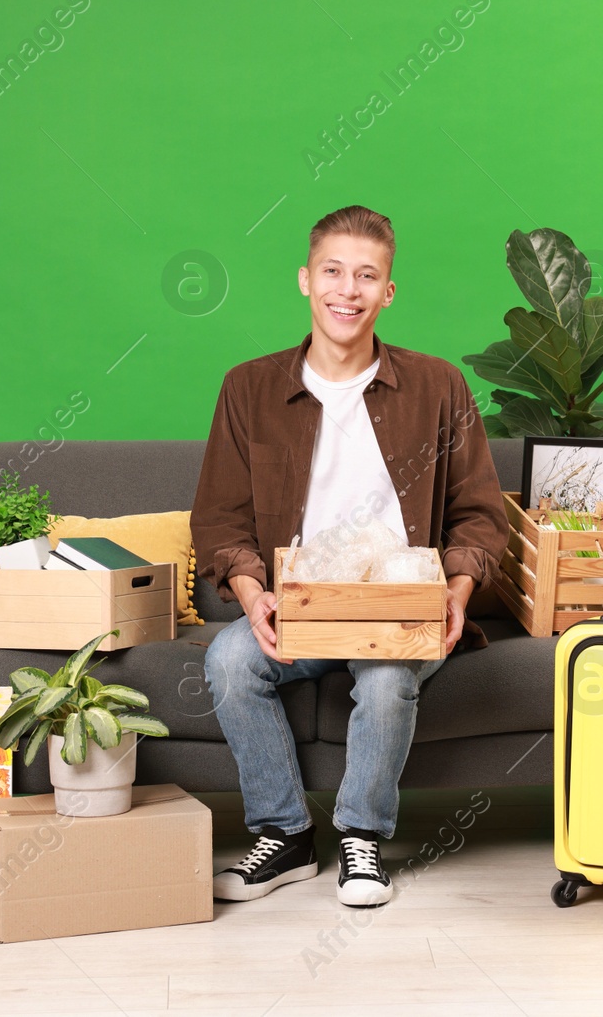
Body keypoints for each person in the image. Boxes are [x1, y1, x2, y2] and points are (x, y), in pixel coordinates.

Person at [192, 204, 508, 908]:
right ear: (306, 280)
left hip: (404, 600)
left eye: (367, 276)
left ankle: (361, 837)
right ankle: (287, 836)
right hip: (301, 602)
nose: (348, 289)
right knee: (229, 660)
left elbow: (480, 514)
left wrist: (455, 592)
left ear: (388, 292)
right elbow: (218, 518)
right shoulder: (249, 387)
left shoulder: (439, 386)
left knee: (389, 672)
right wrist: (253, 594)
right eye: (333, 271)